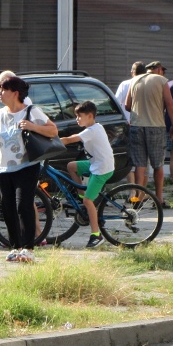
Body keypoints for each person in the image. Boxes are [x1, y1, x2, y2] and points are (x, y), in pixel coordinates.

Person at [0, 75, 58, 263]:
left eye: (3, 90)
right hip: (3, 169)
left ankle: (28, 248)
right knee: (8, 208)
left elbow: (53, 130)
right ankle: (15, 247)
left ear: (15, 93)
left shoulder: (31, 111)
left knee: (23, 205)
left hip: (26, 166)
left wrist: (33, 126)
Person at [60, 101, 115, 249]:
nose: (77, 119)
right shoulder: (94, 127)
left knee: (89, 202)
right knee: (71, 166)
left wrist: (50, 142)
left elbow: (70, 139)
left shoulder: (92, 130)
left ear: (90, 116)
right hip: (95, 164)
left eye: (79, 116)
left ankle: (96, 235)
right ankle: (82, 196)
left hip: (102, 169)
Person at [125, 61, 173, 208]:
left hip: (136, 126)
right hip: (156, 126)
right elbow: (170, 104)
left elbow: (127, 106)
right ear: (159, 70)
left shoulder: (134, 80)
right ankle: (159, 199)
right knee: (158, 165)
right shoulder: (161, 81)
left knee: (140, 165)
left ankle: (138, 198)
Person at [114, 61, 146, 184]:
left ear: (133, 72)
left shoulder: (125, 84)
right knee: (142, 158)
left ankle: (132, 189)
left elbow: (117, 103)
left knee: (130, 156)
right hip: (144, 124)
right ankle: (141, 190)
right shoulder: (147, 85)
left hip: (127, 125)